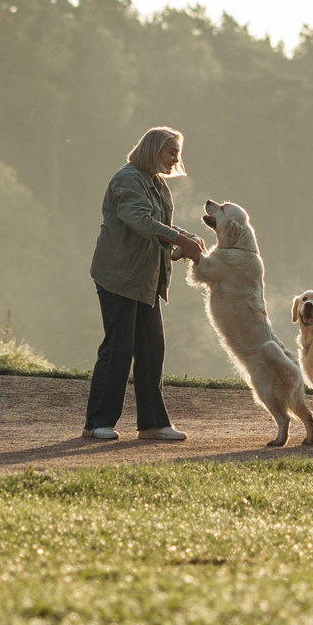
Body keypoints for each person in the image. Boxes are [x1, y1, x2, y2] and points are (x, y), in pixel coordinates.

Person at [83, 126, 204, 441]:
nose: (176, 159)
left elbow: (157, 225)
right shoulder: (127, 179)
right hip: (120, 277)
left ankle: (152, 424)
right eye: (171, 152)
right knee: (118, 348)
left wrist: (184, 240)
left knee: (152, 349)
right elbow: (138, 219)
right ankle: (97, 423)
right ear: (154, 149)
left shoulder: (156, 183)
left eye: (177, 153)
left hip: (145, 279)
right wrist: (179, 238)